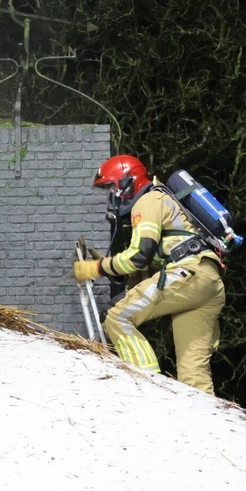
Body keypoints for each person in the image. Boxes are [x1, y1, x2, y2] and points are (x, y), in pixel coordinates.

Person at [72, 154, 226, 394]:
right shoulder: (162, 198)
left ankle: (148, 388)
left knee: (118, 318)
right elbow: (150, 265)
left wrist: (98, 268)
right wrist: (116, 271)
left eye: (113, 187)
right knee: (193, 373)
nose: (112, 196)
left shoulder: (148, 202)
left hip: (188, 273)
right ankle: (205, 424)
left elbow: (138, 256)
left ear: (128, 183)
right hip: (208, 281)